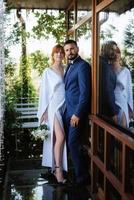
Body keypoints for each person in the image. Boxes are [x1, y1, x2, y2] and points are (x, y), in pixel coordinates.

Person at [37, 44, 67, 184]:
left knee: (58, 139)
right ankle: (57, 169)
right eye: (57, 53)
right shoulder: (47, 71)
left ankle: (57, 166)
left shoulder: (66, 69)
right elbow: (44, 92)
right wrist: (43, 112)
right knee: (60, 137)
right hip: (53, 107)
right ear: (53, 55)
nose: (59, 55)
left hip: (64, 106)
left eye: (61, 53)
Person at [63, 39, 91, 186]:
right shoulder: (69, 66)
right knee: (71, 143)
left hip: (76, 114)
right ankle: (77, 172)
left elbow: (85, 93)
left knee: (73, 143)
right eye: (67, 50)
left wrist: (78, 113)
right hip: (68, 111)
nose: (70, 52)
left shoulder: (83, 66)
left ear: (77, 49)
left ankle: (82, 178)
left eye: (72, 49)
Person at [99, 40, 120, 124]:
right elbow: (107, 90)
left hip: (101, 109)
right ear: (106, 50)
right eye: (112, 50)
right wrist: (113, 112)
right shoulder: (104, 65)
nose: (114, 53)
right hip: (105, 111)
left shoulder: (102, 63)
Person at [112, 46, 134, 128]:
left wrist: (130, 109)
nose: (116, 55)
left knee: (122, 130)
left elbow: (129, 91)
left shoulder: (126, 71)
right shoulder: (108, 70)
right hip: (111, 102)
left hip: (122, 102)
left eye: (118, 52)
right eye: (114, 53)